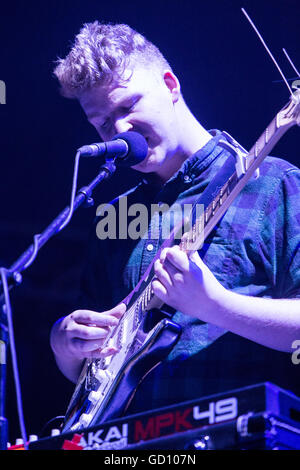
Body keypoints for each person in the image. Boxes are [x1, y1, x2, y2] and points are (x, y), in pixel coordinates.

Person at [50, 21, 300, 415]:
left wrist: (217, 305)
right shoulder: (115, 217)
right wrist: (65, 346)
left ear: (170, 85)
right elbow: (92, 373)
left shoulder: (275, 184)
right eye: (102, 122)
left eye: (127, 106)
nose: (119, 129)